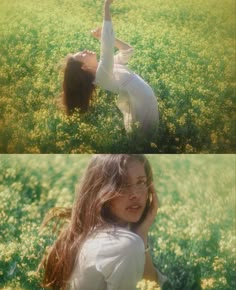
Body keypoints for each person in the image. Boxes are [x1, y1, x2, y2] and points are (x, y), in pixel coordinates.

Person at [39, 154, 167, 290]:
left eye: (141, 182)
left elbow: (151, 285)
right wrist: (138, 241)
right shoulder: (125, 245)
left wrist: (141, 234)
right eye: (123, 184)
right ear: (101, 191)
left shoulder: (90, 233)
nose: (135, 194)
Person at [62, 0, 159, 137]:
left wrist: (105, 37)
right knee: (146, 139)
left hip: (145, 98)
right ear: (84, 66)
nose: (85, 50)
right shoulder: (101, 76)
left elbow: (127, 51)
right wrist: (106, 6)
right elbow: (107, 47)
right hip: (141, 102)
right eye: (82, 55)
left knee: (148, 137)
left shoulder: (104, 67)